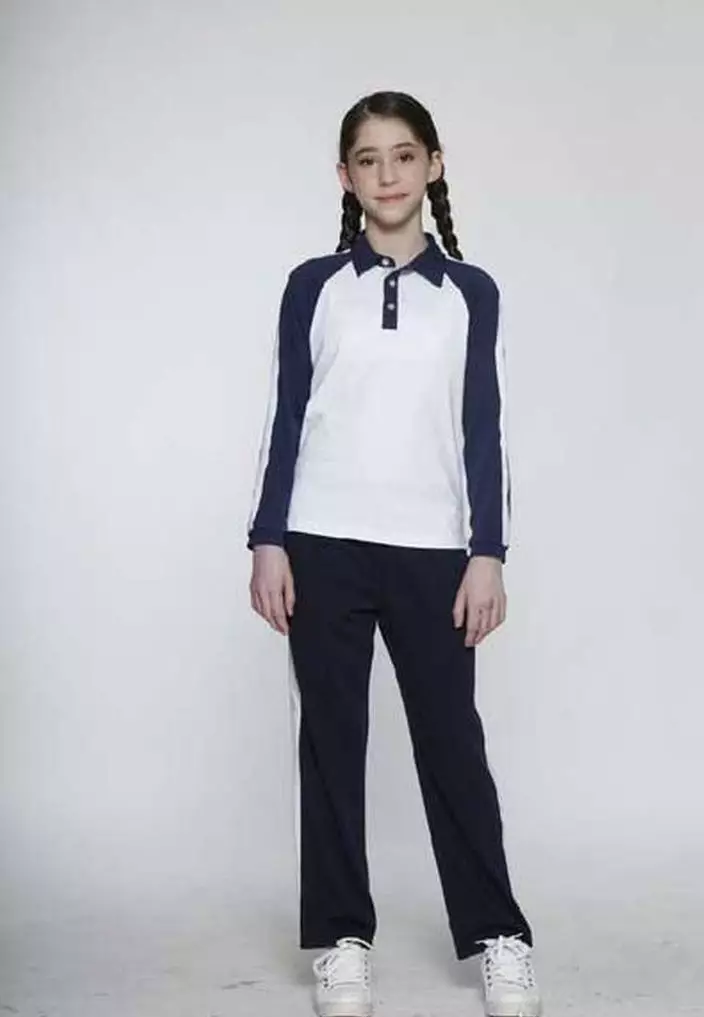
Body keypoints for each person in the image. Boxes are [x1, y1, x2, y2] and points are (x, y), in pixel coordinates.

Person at [247, 90, 542, 1017]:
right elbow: (285, 416)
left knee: (452, 744)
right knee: (331, 746)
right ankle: (342, 939)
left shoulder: (472, 294)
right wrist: (267, 537)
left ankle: (498, 934)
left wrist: (488, 552)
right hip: (322, 543)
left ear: (433, 165)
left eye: (404, 155)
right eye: (368, 159)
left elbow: (486, 427)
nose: (388, 174)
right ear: (345, 176)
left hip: (432, 552)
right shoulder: (312, 286)